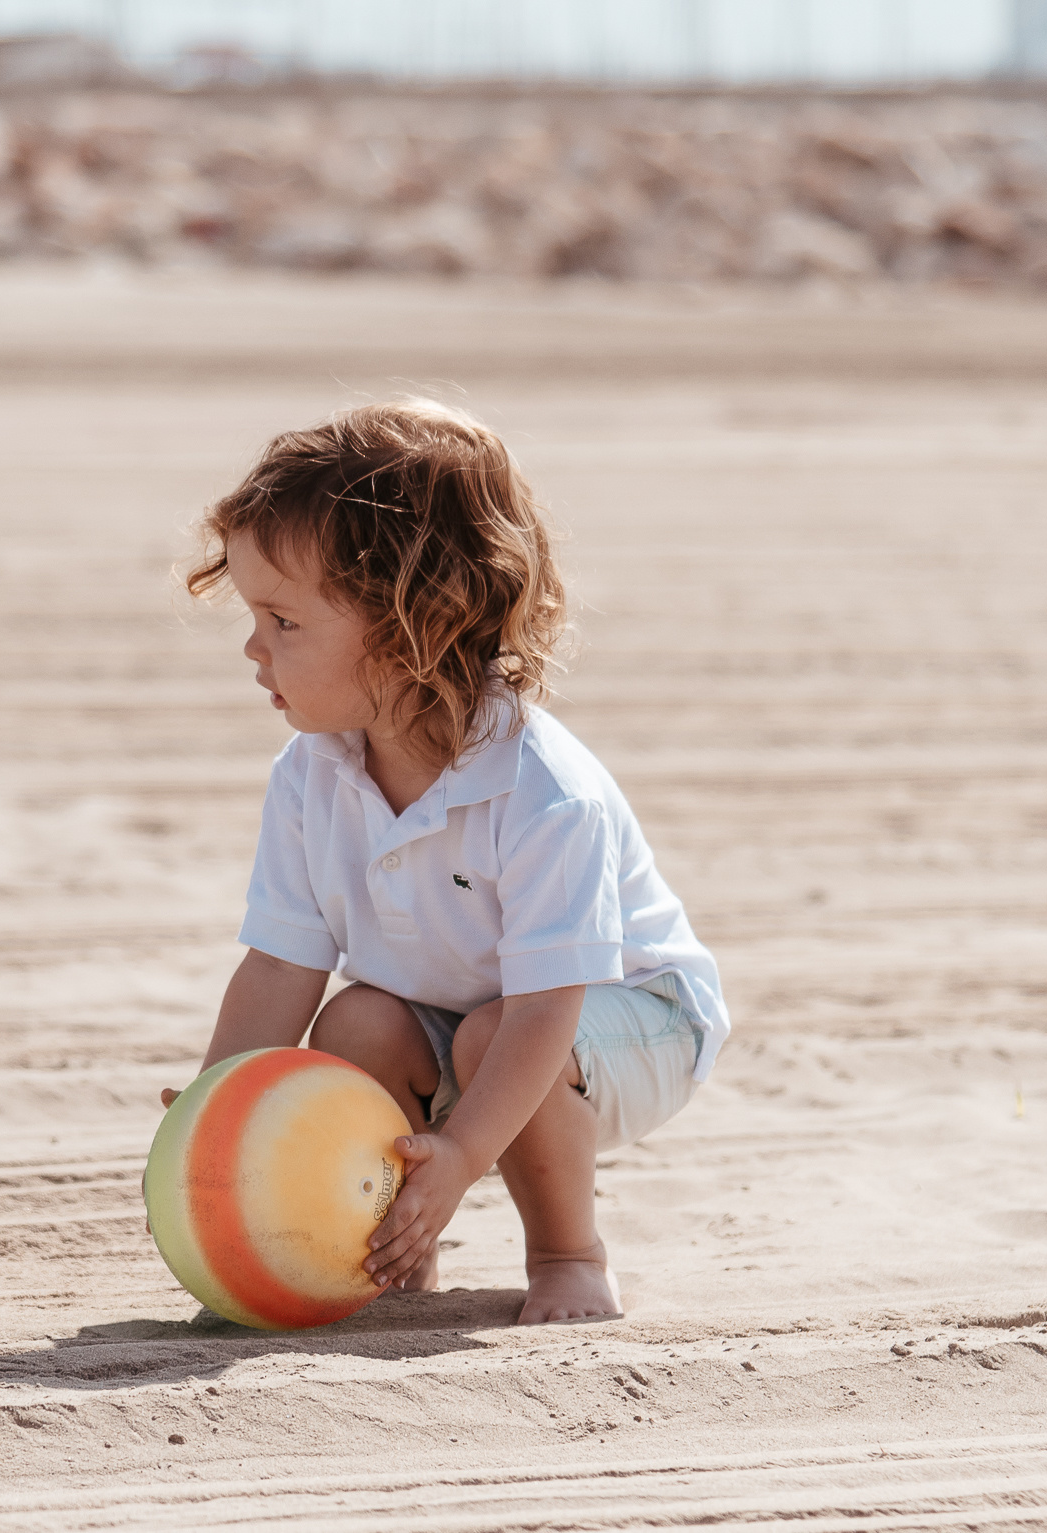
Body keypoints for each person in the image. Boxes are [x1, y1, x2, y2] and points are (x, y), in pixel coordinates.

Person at [161, 399, 729, 1325]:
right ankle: (393, 1246)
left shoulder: (544, 793)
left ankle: (568, 1251)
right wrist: (217, 1109)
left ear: (411, 624)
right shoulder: (311, 775)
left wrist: (462, 1152)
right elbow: (279, 965)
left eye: (283, 620)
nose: (253, 647)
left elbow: (544, 1010)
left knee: (488, 1037)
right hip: (472, 1014)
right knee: (355, 1022)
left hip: (631, 1020)